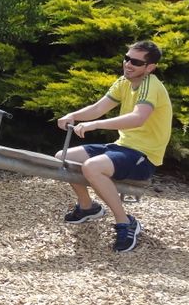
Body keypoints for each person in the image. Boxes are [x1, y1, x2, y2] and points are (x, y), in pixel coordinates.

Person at [55, 41, 172, 252]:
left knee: (92, 167)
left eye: (136, 62)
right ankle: (87, 207)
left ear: (150, 67)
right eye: (127, 58)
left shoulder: (151, 86)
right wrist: (73, 115)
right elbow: (99, 108)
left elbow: (138, 118)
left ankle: (125, 222)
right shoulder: (124, 82)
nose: (128, 64)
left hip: (143, 155)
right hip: (121, 146)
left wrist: (95, 125)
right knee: (63, 156)